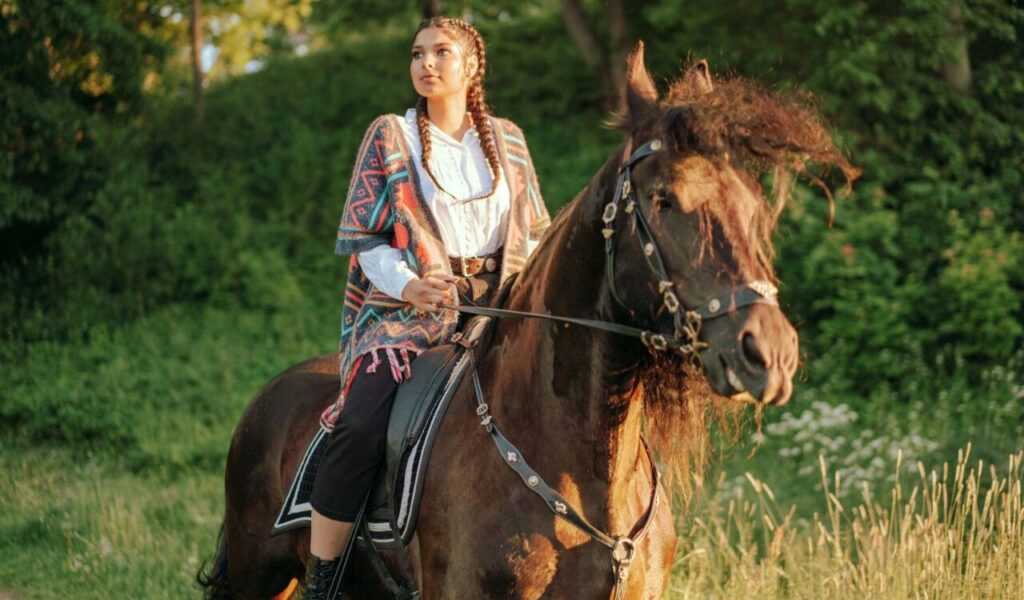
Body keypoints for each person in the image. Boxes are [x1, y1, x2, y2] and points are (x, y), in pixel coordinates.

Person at [304, 16, 551, 598]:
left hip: (502, 310)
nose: (426, 64)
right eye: (417, 54)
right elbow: (365, 238)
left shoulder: (509, 141)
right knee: (360, 422)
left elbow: (533, 234)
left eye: (442, 52)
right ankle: (323, 578)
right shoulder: (390, 134)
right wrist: (411, 285)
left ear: (471, 67)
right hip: (406, 314)